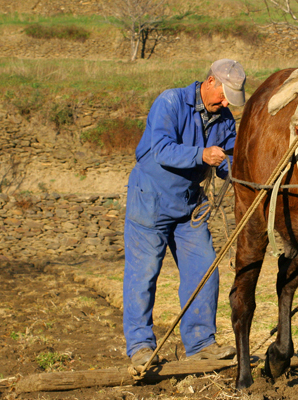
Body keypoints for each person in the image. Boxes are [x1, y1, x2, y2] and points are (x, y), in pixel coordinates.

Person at [123, 59, 246, 367]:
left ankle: (201, 343)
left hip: (189, 206)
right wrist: (201, 154)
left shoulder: (225, 119)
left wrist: (234, 169)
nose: (224, 103)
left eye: (230, 100)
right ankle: (140, 347)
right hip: (150, 199)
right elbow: (161, 149)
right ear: (210, 81)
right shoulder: (170, 101)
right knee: (144, 274)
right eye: (223, 96)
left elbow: (229, 161)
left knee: (205, 270)